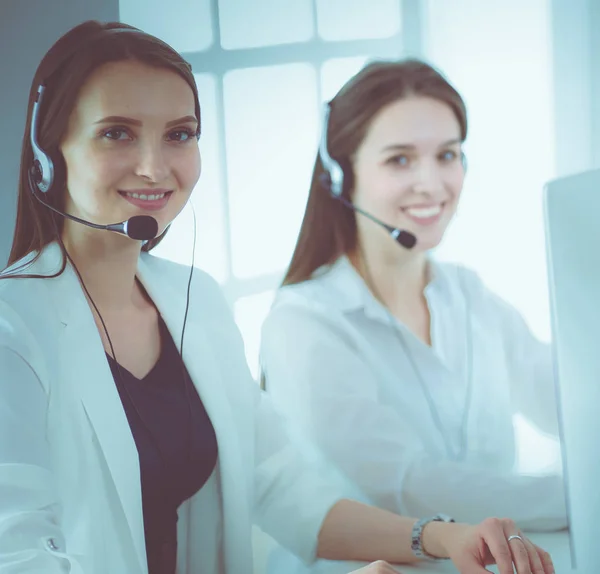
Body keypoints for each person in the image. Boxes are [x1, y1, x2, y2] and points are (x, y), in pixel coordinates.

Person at [0, 21, 554, 574]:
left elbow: (283, 488)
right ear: (49, 154)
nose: (154, 165)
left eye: (179, 134)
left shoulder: (194, 299)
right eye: (117, 133)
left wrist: (437, 538)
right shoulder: (13, 326)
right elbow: (18, 556)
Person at [259, 59, 567, 566]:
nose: (431, 182)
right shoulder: (305, 324)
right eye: (400, 160)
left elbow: (562, 396)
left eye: (447, 155)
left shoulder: (466, 294)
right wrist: (577, 492)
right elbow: (404, 487)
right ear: (341, 176)